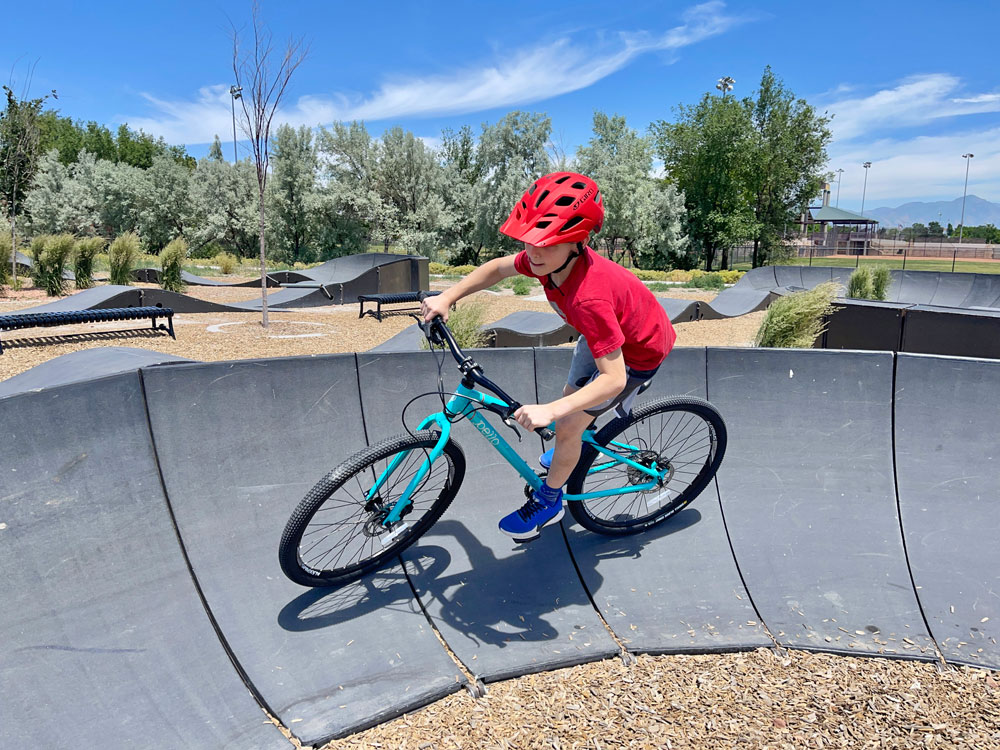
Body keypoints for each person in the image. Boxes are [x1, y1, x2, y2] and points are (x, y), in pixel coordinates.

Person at [421, 171, 675, 542]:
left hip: (637, 352)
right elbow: (496, 268)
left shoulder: (589, 296)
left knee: (568, 421)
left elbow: (614, 379)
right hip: (601, 336)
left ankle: (549, 502)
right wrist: (448, 297)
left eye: (548, 243)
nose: (534, 253)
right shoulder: (546, 260)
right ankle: (573, 446)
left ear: (578, 241)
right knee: (570, 398)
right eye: (528, 242)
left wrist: (552, 411)